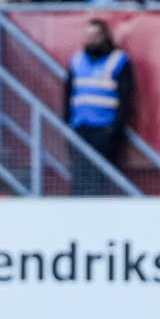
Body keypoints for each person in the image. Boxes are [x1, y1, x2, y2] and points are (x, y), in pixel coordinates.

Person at [63, 19, 133, 196]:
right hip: (80, 126)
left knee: (99, 179)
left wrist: (115, 128)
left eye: (96, 35)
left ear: (105, 36)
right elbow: (67, 93)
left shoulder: (119, 60)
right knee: (79, 176)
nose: (91, 38)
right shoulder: (77, 60)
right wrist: (67, 122)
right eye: (88, 35)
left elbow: (126, 96)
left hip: (104, 129)